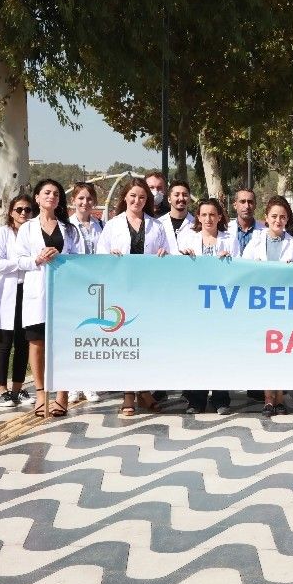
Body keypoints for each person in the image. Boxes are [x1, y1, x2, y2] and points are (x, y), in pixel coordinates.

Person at [97, 178, 169, 416]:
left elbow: (168, 254)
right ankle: (128, 394)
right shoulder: (112, 225)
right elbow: (100, 256)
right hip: (123, 291)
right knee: (128, 345)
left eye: (142, 197)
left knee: (145, 343)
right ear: (125, 198)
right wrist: (110, 256)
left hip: (147, 292)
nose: (137, 200)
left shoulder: (157, 226)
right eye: (133, 196)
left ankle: (144, 390)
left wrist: (164, 253)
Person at [14, 179, 83, 418]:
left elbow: (78, 258)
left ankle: (62, 396)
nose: (51, 196)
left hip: (63, 293)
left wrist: (60, 255)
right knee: (37, 343)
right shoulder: (27, 228)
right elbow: (18, 260)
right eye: (47, 192)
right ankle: (41, 394)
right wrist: (38, 258)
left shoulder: (69, 229)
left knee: (63, 344)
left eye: (56, 193)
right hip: (38, 292)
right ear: (37, 197)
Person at [175, 198, 238, 415]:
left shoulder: (229, 240)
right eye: (204, 215)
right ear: (198, 217)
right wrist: (184, 259)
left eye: (212, 214)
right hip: (196, 305)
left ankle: (221, 398)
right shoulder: (188, 239)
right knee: (197, 350)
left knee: (220, 350)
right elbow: (178, 270)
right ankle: (196, 399)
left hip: (222, 304)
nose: (208, 219)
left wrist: (230, 259)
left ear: (219, 217)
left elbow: (240, 268)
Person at [243, 195, 293, 416]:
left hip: (286, 305)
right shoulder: (255, 241)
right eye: (274, 216)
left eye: (283, 217)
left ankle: (280, 398)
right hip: (262, 305)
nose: (278, 220)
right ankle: (268, 398)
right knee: (266, 352)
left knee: (283, 352)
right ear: (266, 218)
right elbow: (244, 267)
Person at [0, 194, 33, 408]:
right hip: (7, 293)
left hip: (28, 292)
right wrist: (22, 263)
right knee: (5, 343)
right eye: (19, 209)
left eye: (28, 209)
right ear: (11, 212)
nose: (23, 213)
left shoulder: (33, 233)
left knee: (24, 343)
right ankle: (2, 390)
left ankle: (17, 388)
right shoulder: (2, 234)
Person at [68, 181, 104, 404]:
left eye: (89, 199)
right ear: (73, 200)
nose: (85, 202)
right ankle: (73, 384)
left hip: (97, 286)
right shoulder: (67, 226)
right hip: (75, 286)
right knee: (75, 335)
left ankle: (90, 383)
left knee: (92, 336)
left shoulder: (101, 225)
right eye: (81, 198)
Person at [157, 179, 194, 254]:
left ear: (189, 198)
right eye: (176, 195)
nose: (181, 198)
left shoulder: (197, 225)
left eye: (185, 195)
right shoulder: (158, 224)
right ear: (169, 199)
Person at [227, 188, 264, 257]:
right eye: (242, 201)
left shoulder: (265, 232)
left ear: (255, 205)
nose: (247, 206)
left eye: (250, 202)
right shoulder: (226, 230)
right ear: (235, 205)